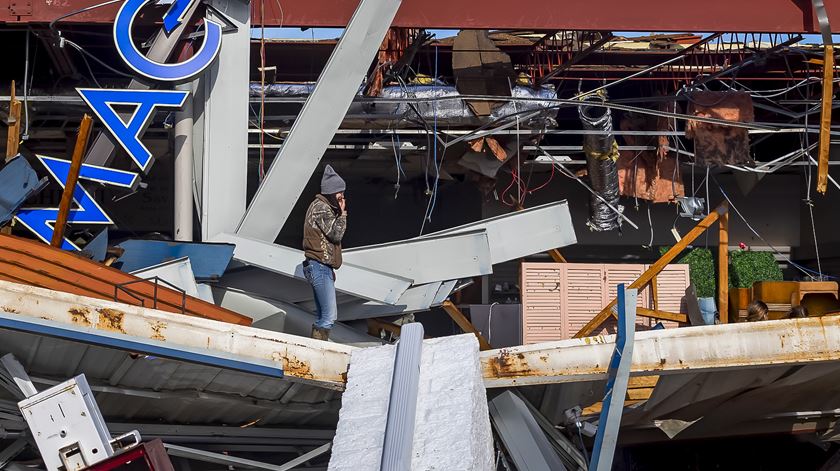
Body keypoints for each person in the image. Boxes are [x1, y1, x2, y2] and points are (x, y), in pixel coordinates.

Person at [302, 165, 347, 341]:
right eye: (339, 192)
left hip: (322, 267)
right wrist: (343, 214)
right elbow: (336, 235)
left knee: (323, 316)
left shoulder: (324, 207)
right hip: (318, 267)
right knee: (329, 317)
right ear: (331, 192)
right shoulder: (321, 208)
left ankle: (316, 350)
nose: (342, 196)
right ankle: (317, 351)